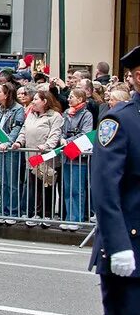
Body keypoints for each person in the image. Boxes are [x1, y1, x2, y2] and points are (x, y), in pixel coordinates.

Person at [91, 46, 140, 315]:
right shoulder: (120, 121)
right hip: (130, 244)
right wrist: (120, 245)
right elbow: (105, 189)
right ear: (137, 77)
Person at [17, 90, 63, 227]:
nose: (33, 101)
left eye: (36, 99)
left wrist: (47, 145)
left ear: (45, 101)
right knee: (34, 186)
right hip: (31, 157)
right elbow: (24, 131)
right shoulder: (31, 114)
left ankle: (47, 215)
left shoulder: (55, 116)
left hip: (46, 157)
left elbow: (55, 134)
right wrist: (19, 142)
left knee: (47, 186)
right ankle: (37, 213)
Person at [59, 87, 94, 231]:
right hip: (67, 156)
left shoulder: (87, 115)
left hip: (79, 157)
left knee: (77, 189)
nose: (68, 99)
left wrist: (69, 141)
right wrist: (62, 138)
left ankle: (76, 218)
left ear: (80, 99)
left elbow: (85, 133)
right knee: (67, 188)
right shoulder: (67, 113)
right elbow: (62, 129)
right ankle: (68, 217)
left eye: (72, 97)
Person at [0, 82, 26, 225]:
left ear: (6, 95)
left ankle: (13, 211)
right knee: (2, 181)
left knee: (12, 181)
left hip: (10, 149)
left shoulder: (18, 110)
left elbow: (17, 128)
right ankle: (2, 210)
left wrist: (8, 142)